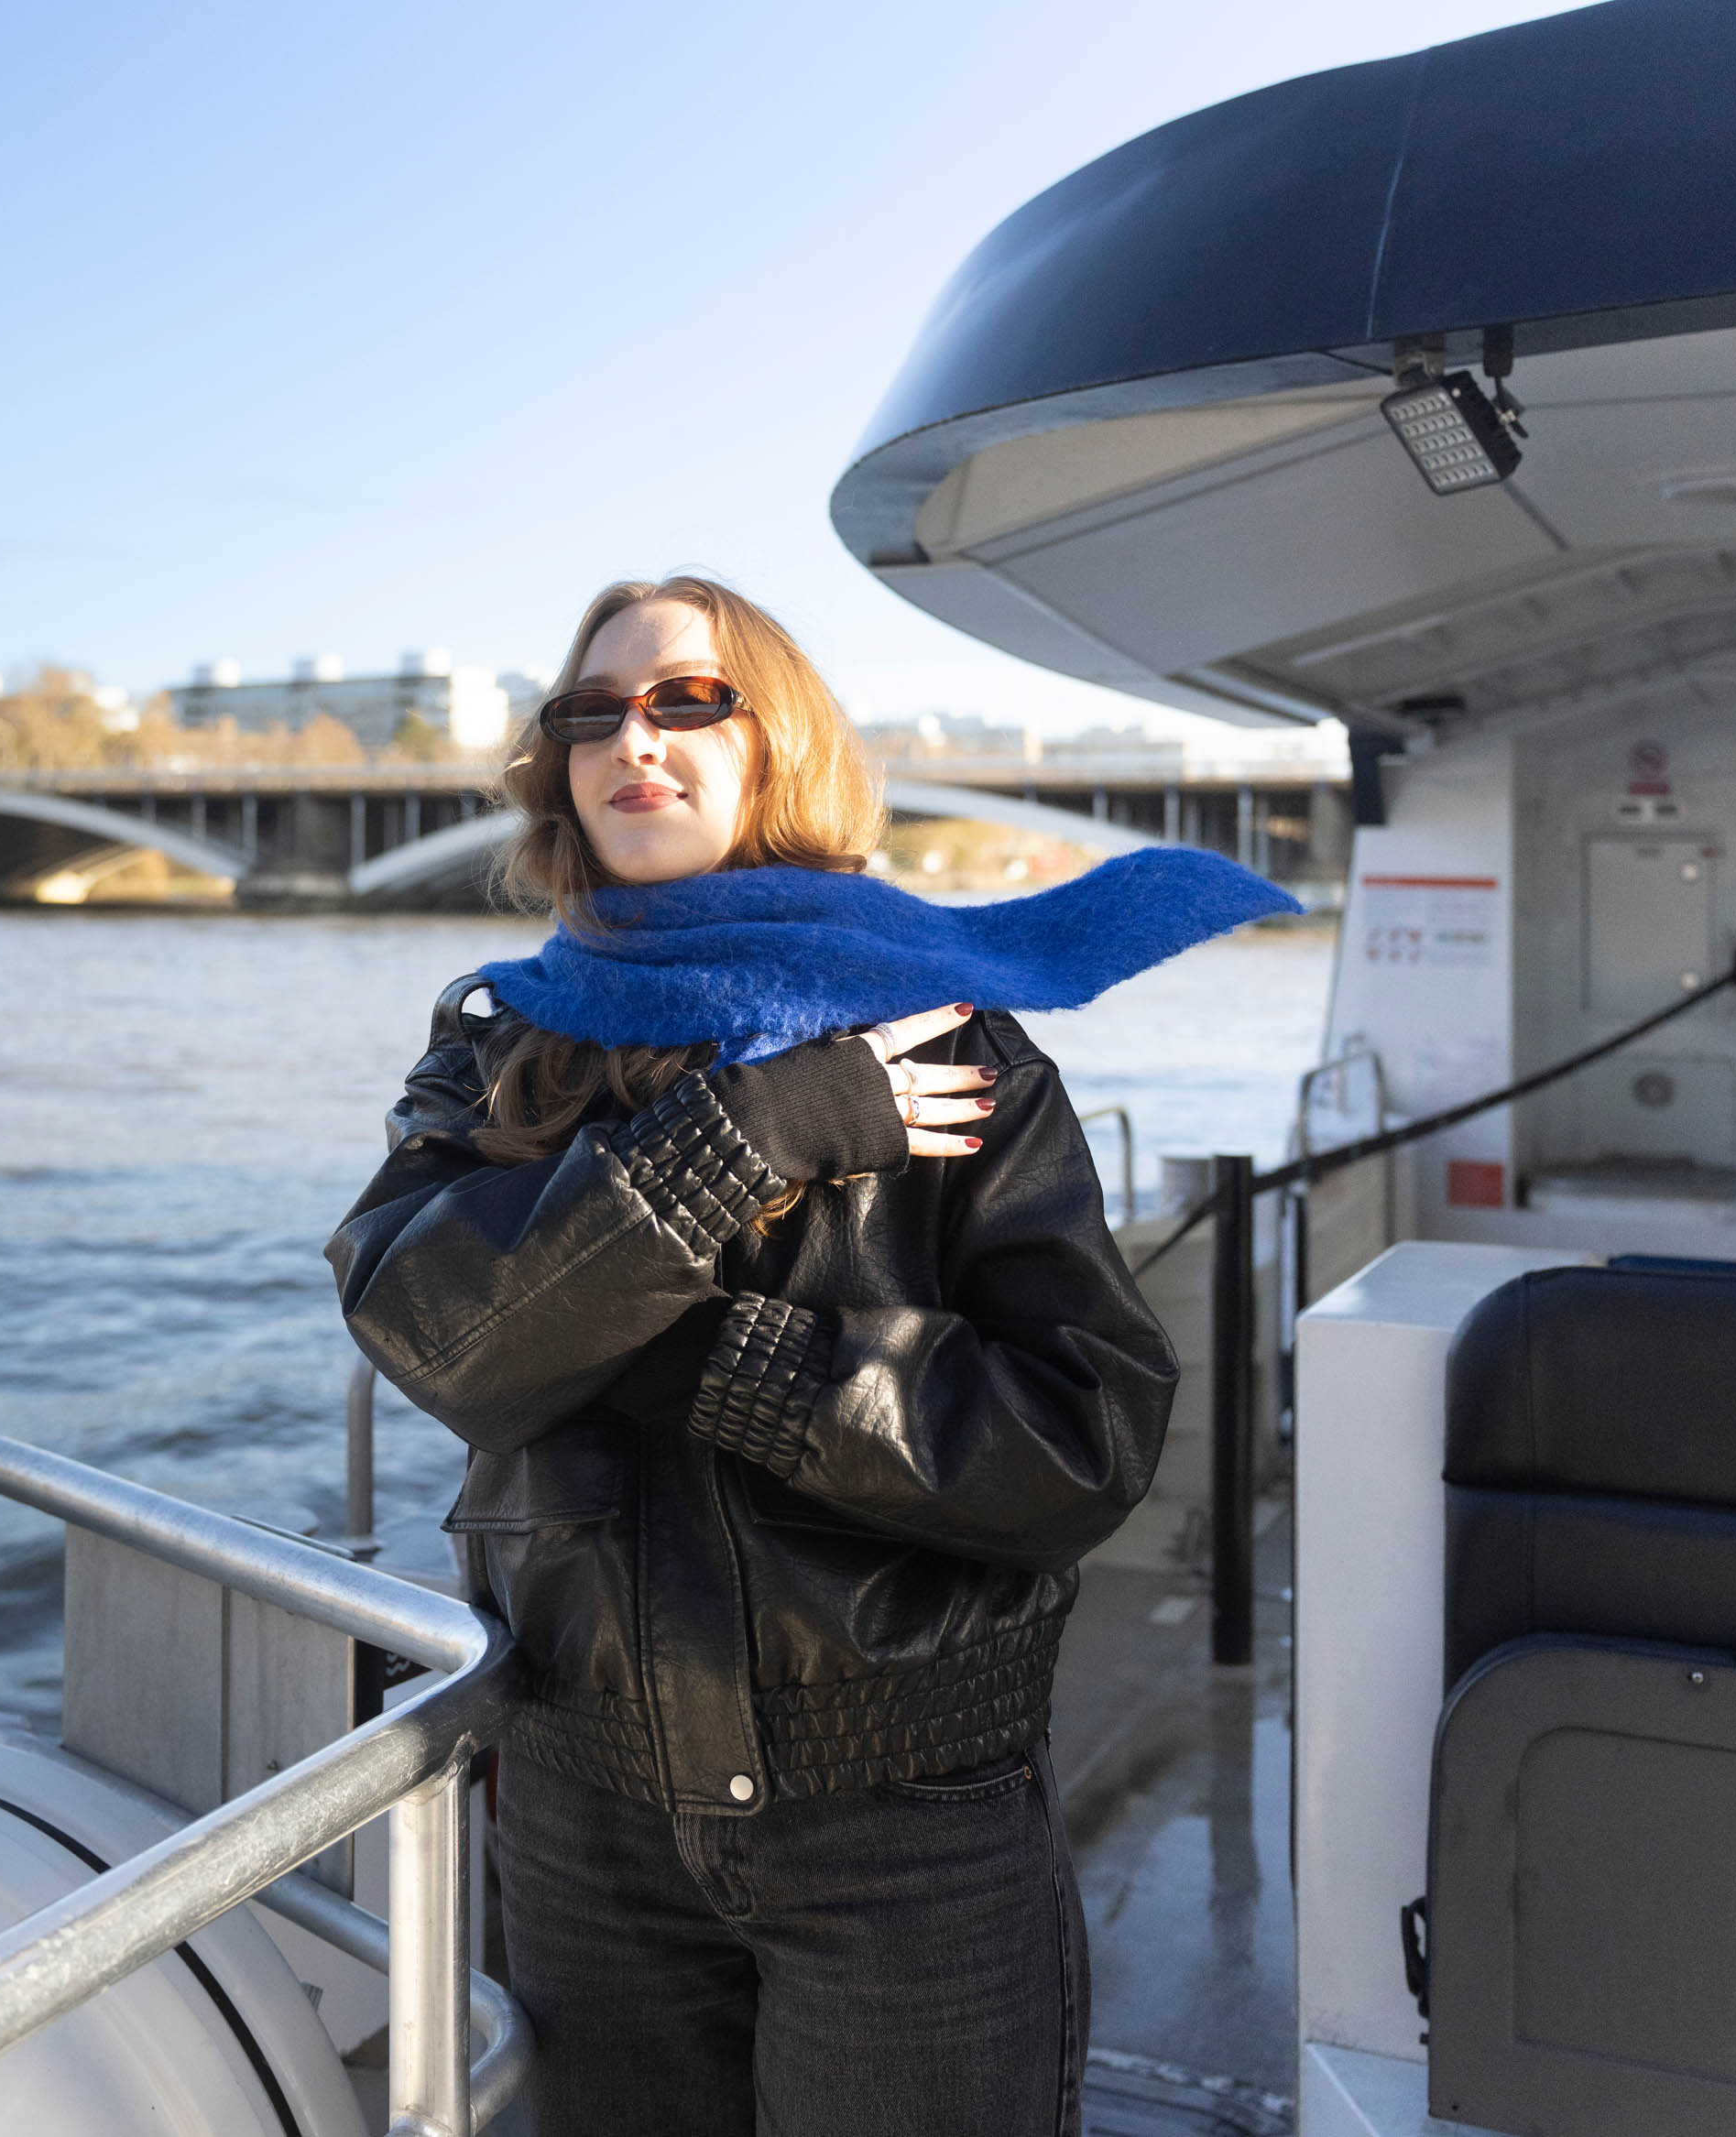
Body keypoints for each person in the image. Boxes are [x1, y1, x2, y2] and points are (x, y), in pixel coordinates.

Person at [326, 575, 1277, 2137]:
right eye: (592, 712)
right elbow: (430, 1332)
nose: (634, 736)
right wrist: (761, 1131)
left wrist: (709, 1356)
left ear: (780, 744)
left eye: (689, 699)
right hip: (584, 1817)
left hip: (902, 1825)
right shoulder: (497, 1041)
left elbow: (1082, 1437)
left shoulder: (951, 1041)